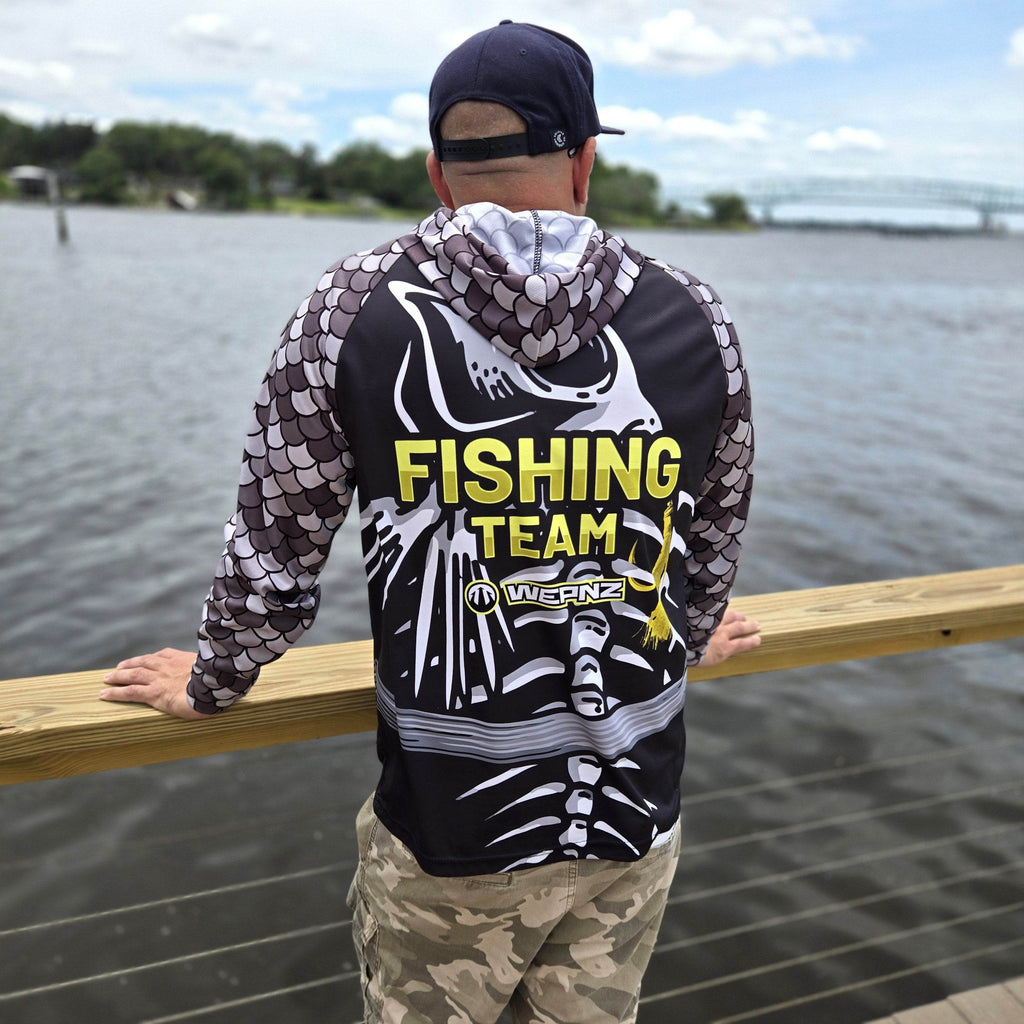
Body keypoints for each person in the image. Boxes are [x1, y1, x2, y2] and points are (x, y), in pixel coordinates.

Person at [100, 19, 759, 1024]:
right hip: (635, 817)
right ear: (585, 161)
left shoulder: (351, 310)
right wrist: (691, 627)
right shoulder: (695, 315)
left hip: (447, 841)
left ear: (437, 172)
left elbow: (277, 541)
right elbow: (711, 536)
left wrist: (214, 679)